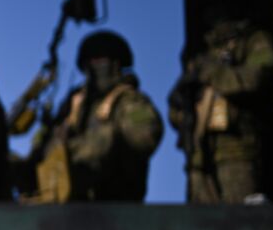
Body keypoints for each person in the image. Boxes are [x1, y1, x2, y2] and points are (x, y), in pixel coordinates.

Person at [16, 30, 164, 202]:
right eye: (89, 62)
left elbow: (145, 137)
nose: (93, 66)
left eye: (99, 60)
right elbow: (40, 150)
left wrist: (87, 147)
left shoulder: (128, 102)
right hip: (60, 209)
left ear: (116, 64)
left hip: (112, 209)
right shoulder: (73, 107)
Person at [167, 15, 273, 203]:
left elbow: (255, 79)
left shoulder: (254, 40)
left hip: (238, 146)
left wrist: (215, 74)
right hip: (199, 152)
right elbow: (176, 105)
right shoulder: (201, 51)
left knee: (239, 215)